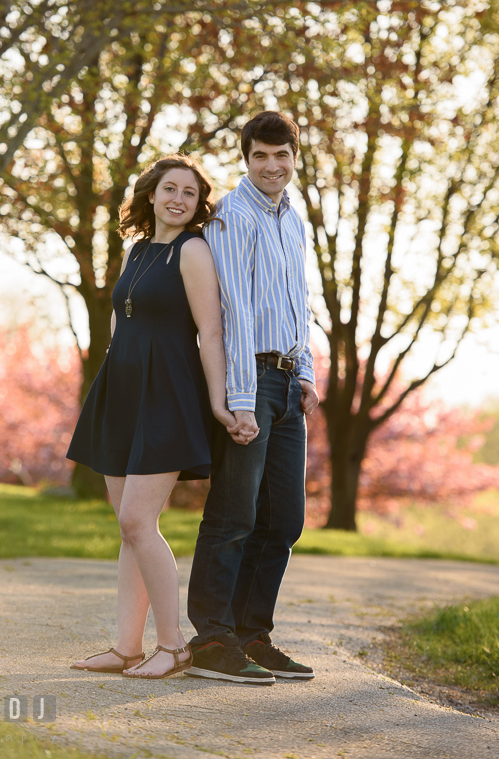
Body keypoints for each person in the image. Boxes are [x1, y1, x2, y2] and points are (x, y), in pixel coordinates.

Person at [66, 154, 238, 679]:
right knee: (129, 528)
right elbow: (123, 324)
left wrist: (216, 401)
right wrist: (116, 383)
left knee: (139, 520)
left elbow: (211, 332)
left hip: (169, 396)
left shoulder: (193, 252)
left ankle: (174, 646)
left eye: (189, 192)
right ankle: (126, 647)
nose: (179, 199)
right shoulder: (137, 251)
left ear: (197, 204)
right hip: (122, 393)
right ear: (152, 194)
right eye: (170, 189)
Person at [186, 112, 319, 685]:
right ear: (246, 157)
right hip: (253, 381)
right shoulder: (231, 218)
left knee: (283, 520)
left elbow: (299, 300)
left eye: (281, 155)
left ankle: (251, 634)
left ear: (295, 157)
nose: (271, 166)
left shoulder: (294, 218)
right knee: (234, 513)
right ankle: (212, 638)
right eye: (260, 156)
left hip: (290, 383)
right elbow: (232, 313)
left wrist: (307, 372)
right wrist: (241, 398)